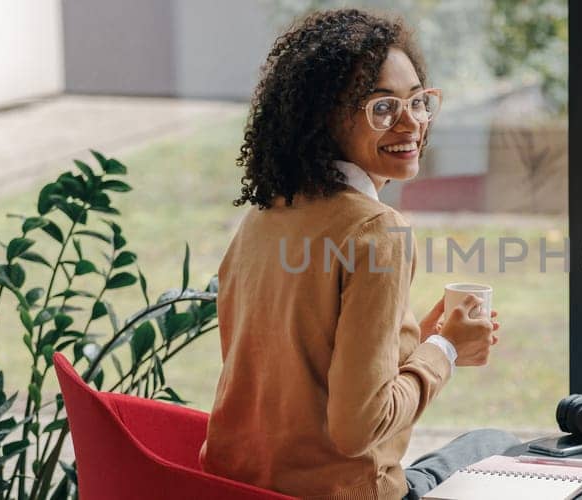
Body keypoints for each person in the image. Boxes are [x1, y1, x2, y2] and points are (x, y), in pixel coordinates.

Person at [202, 9, 519, 500]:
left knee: (480, 445)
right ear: (323, 117)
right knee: (500, 444)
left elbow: (302, 381)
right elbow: (358, 428)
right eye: (382, 107)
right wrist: (446, 352)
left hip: (239, 488)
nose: (411, 122)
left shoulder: (263, 217)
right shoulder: (376, 231)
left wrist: (425, 340)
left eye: (418, 101)